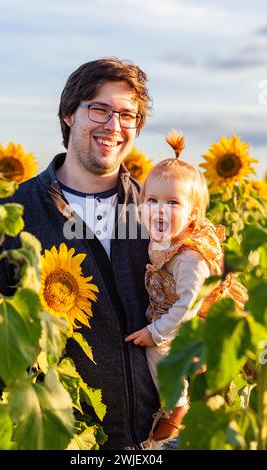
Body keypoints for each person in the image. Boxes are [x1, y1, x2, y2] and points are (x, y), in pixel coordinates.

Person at [0, 58, 161, 450]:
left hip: (155, 440)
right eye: (99, 109)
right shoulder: (15, 213)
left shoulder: (157, 212)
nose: (114, 126)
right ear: (69, 114)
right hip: (56, 438)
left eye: (127, 115)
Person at [125, 131, 248, 448]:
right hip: (177, 309)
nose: (160, 210)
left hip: (196, 319)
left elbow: (189, 305)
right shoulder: (163, 234)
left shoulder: (189, 258)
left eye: (172, 203)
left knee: (158, 352)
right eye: (152, 201)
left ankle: (177, 408)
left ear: (193, 214)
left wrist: (157, 331)